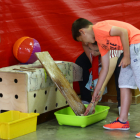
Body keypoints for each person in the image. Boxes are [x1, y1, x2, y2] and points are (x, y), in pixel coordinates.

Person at [71, 18, 140, 138]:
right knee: (123, 83)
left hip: (136, 44)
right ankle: (122, 121)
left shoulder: (98, 28)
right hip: (129, 49)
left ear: (82, 32)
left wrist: (127, 56)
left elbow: (123, 31)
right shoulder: (101, 42)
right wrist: (95, 94)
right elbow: (105, 68)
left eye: (82, 40)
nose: (86, 44)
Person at [75, 42, 124, 115]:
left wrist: (93, 104)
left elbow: (103, 83)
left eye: (96, 51)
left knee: (120, 69)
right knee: (80, 61)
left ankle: (122, 105)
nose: (92, 53)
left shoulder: (112, 55)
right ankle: (86, 99)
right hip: (101, 55)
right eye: (90, 49)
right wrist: (94, 63)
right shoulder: (87, 43)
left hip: (115, 56)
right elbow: (87, 46)